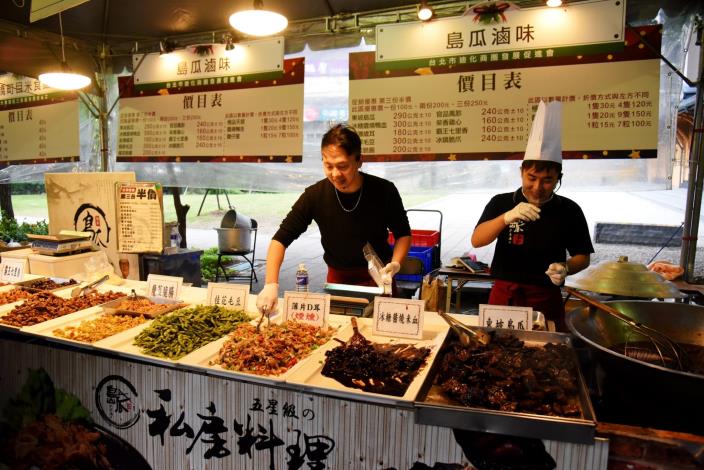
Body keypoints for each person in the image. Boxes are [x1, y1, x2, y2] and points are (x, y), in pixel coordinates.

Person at [256, 124, 412, 314]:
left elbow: (403, 233)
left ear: (359, 161)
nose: (335, 174)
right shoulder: (315, 195)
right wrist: (271, 284)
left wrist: (395, 264)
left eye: (342, 166)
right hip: (338, 280)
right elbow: (280, 239)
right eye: (328, 166)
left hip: (380, 279)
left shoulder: (384, 191)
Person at [471, 101, 594, 331]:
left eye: (547, 180)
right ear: (521, 172)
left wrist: (566, 267)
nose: (538, 187)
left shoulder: (569, 210)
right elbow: (477, 240)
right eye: (531, 177)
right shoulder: (502, 202)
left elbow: (582, 257)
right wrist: (506, 217)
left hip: (545, 297)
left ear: (558, 177)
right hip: (504, 294)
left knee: (544, 355)